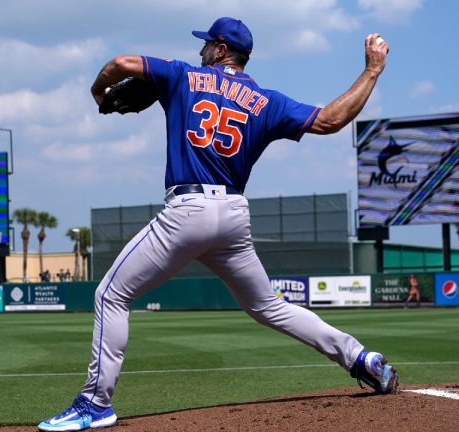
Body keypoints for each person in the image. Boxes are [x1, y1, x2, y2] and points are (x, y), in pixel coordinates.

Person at [38, 17, 395, 431]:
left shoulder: (184, 76)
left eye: (207, 44)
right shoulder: (267, 100)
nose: (202, 50)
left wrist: (98, 92)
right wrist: (371, 71)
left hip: (187, 212)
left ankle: (94, 404)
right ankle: (359, 358)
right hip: (232, 218)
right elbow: (332, 119)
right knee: (270, 307)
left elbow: (119, 63)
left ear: (222, 50)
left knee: (110, 296)